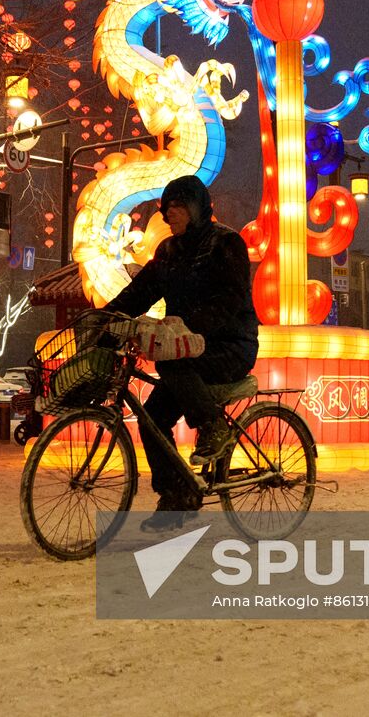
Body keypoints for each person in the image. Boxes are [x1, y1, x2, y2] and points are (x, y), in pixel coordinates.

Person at [107, 175, 259, 531]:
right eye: (166, 208)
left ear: (195, 207)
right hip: (185, 349)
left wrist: (188, 327)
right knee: (152, 417)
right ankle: (177, 495)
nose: (169, 215)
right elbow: (140, 292)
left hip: (230, 346)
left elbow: (231, 299)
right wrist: (107, 317)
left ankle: (213, 427)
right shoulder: (169, 252)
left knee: (172, 365)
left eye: (176, 207)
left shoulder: (226, 243)